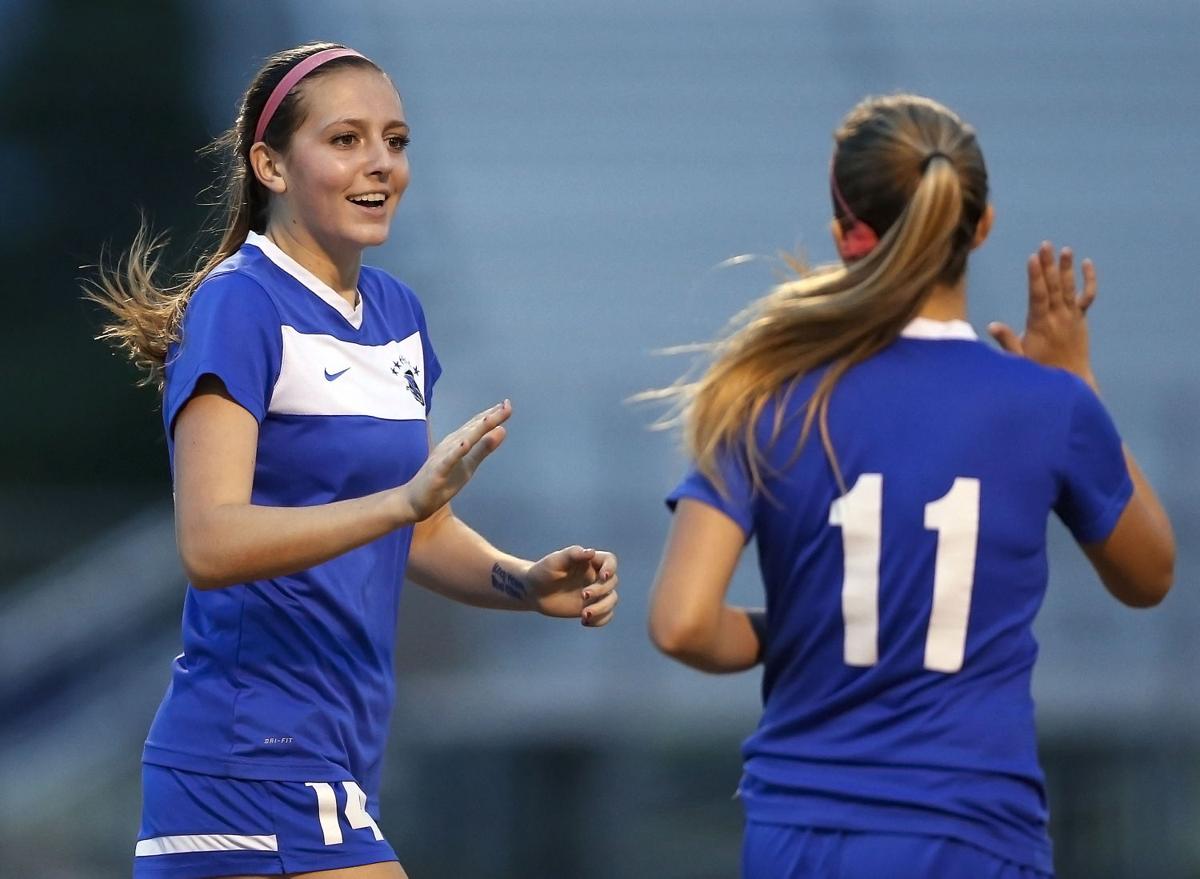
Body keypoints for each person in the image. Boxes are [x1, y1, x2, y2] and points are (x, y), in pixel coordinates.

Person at [87, 42, 619, 879]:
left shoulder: (398, 313)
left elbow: (421, 521)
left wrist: (521, 581)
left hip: (329, 754)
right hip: (251, 759)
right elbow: (211, 541)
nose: (380, 164)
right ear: (270, 164)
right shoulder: (240, 304)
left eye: (396, 139)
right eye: (345, 140)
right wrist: (401, 507)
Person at [646, 94, 1174, 878]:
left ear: (841, 233)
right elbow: (1149, 574)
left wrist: (795, 627)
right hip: (974, 834)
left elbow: (682, 624)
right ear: (982, 224)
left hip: (802, 830)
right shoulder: (1048, 405)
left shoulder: (765, 394)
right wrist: (1077, 379)